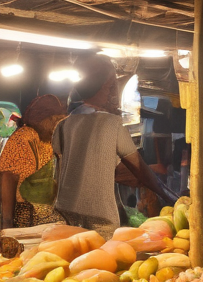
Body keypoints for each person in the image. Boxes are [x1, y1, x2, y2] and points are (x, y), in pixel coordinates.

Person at [53, 55, 174, 237]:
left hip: (66, 211)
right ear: (106, 86)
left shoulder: (64, 124)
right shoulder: (112, 123)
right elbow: (139, 168)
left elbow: (68, 165)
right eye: (112, 85)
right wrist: (169, 195)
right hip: (100, 218)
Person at [0, 94, 66, 228]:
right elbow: (8, 177)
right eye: (57, 121)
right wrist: (7, 221)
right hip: (27, 217)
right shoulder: (24, 137)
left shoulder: (49, 140)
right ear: (48, 120)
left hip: (49, 217)